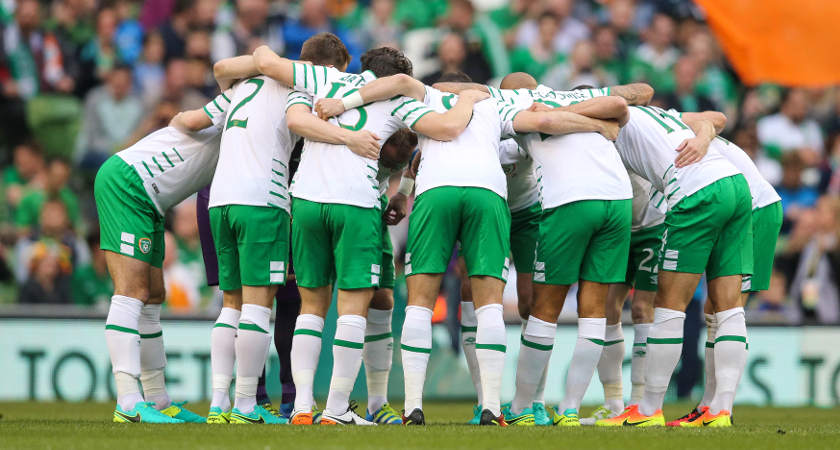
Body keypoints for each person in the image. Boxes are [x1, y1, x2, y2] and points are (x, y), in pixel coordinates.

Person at [317, 70, 621, 426]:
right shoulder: (496, 102)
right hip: (488, 194)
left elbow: (407, 120)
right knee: (490, 301)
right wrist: (598, 125)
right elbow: (548, 119)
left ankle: (413, 406)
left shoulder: (425, 98)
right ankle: (491, 405)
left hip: (442, 192)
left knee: (420, 299)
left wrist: (345, 104)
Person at [217, 40, 477, 426]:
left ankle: (303, 407)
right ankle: (337, 408)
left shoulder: (323, 77)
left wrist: (264, 53)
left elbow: (275, 79)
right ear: (394, 77)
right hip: (355, 202)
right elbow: (447, 128)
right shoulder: (396, 100)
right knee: (353, 308)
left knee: (311, 307)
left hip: (304, 199)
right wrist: (469, 100)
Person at [205, 33, 381, 425]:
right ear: (332, 68)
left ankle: (219, 401)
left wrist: (262, 58)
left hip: (219, 198)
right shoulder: (304, 83)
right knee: (258, 304)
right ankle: (246, 404)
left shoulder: (242, 86)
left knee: (231, 304)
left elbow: (217, 73)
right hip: (262, 198)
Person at [598, 104, 751, 428]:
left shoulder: (614, 117)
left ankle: (649, 409)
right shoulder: (662, 115)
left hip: (695, 193)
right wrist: (705, 135)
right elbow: (715, 118)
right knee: (728, 306)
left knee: (669, 304)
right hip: (735, 186)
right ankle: (720, 410)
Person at [94, 92, 233, 424]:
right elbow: (183, 119)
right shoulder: (236, 102)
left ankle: (157, 399)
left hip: (153, 200)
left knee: (154, 295)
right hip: (128, 184)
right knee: (131, 291)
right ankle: (128, 401)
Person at [668, 112, 783, 426]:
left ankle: (721, 408)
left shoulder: (670, 133)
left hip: (756, 210)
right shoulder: (678, 128)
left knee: (729, 308)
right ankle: (709, 405)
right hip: (740, 207)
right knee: (714, 309)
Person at [582, 172, 665, 424]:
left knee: (641, 308)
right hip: (619, 225)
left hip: (654, 223)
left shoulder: (636, 133)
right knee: (607, 308)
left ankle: (639, 402)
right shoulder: (596, 135)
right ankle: (613, 403)